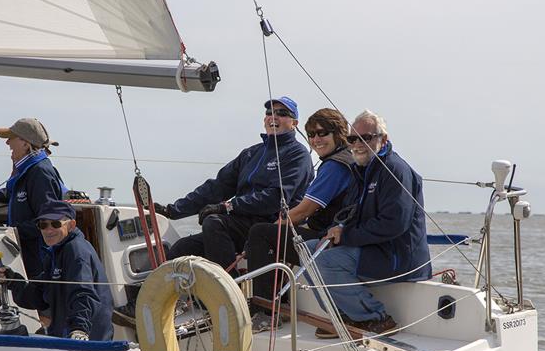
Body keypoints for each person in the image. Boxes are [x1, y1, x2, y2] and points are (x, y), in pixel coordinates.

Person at [305, 109, 431, 338]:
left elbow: (394, 224)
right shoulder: (362, 170)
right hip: (375, 248)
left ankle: (376, 318)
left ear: (384, 139)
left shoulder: (395, 171)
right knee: (307, 249)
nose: (358, 144)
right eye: (353, 139)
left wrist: (347, 236)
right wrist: (336, 230)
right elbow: (351, 214)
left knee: (325, 260)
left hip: (398, 256)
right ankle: (342, 315)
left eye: (367, 137)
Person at [155, 96, 314, 276]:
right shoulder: (251, 154)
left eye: (282, 113)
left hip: (270, 227)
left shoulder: (297, 155)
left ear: (294, 122)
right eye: (269, 112)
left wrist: (228, 206)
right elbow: (217, 187)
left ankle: (231, 289)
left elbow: (276, 198)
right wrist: (172, 211)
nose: (273, 117)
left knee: (214, 222)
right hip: (241, 224)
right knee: (181, 249)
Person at [245, 108, 354, 329]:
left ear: (338, 133)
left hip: (331, 244)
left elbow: (304, 210)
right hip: (340, 237)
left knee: (261, 234)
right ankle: (279, 301)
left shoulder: (335, 166)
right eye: (311, 134)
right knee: (273, 235)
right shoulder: (347, 159)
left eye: (322, 133)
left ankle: (265, 313)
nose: (315, 140)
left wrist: (274, 227)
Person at [0, 117, 66, 278]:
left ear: (25, 143)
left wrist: (9, 230)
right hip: (27, 255)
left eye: (11, 138)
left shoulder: (40, 173)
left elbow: (48, 222)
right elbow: (13, 191)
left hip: (38, 260)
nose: (7, 143)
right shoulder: (29, 170)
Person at [0, 200, 114, 341]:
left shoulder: (76, 250)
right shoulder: (56, 251)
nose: (48, 230)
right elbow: (40, 296)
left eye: (55, 224)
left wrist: (79, 329)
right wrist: (13, 280)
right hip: (64, 334)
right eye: (43, 225)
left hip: (88, 341)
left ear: (71, 225)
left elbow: (83, 292)